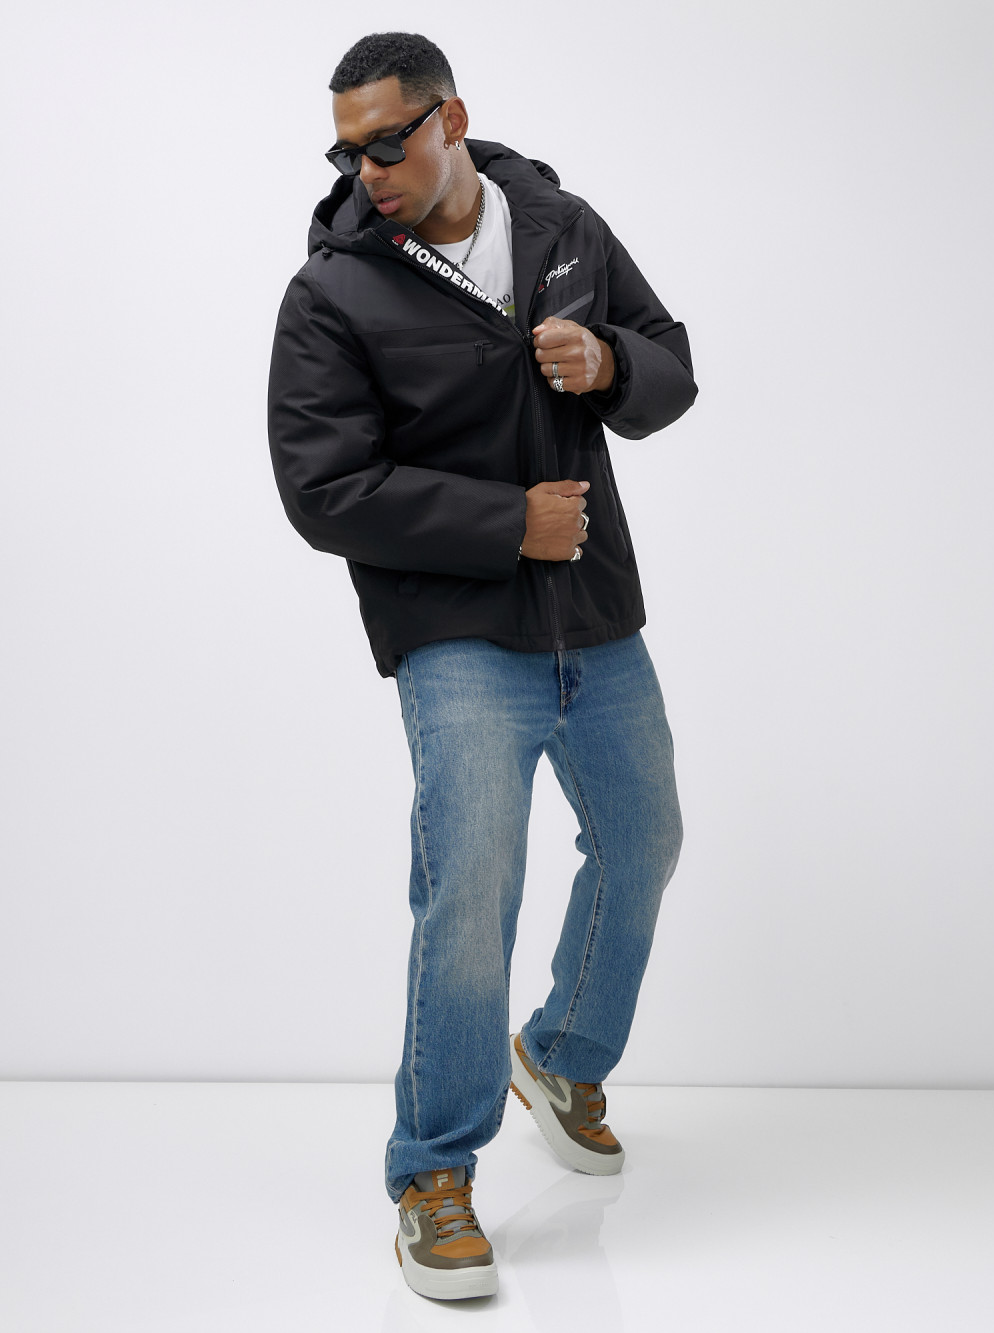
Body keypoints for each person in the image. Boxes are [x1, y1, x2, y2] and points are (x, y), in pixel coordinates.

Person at [267, 31, 698, 1302]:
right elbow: (322, 487)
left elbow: (669, 362)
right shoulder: (334, 293)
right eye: (347, 152)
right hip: (456, 633)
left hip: (595, 613)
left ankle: (558, 1055)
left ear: (450, 118)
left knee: (644, 839)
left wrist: (611, 364)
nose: (367, 171)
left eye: (386, 142)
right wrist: (507, 523)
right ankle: (431, 1174)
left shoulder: (562, 225)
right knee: (470, 889)